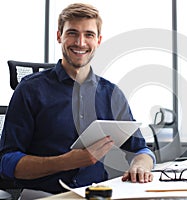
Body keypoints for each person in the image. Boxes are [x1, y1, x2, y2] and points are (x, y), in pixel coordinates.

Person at [0, 3, 155, 196]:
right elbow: (6, 163)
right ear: (59, 36)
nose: (80, 42)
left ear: (98, 40)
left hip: (96, 193)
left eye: (89, 35)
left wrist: (141, 164)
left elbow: (141, 149)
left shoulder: (111, 94)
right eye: (72, 33)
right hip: (44, 194)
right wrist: (66, 161)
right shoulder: (29, 90)